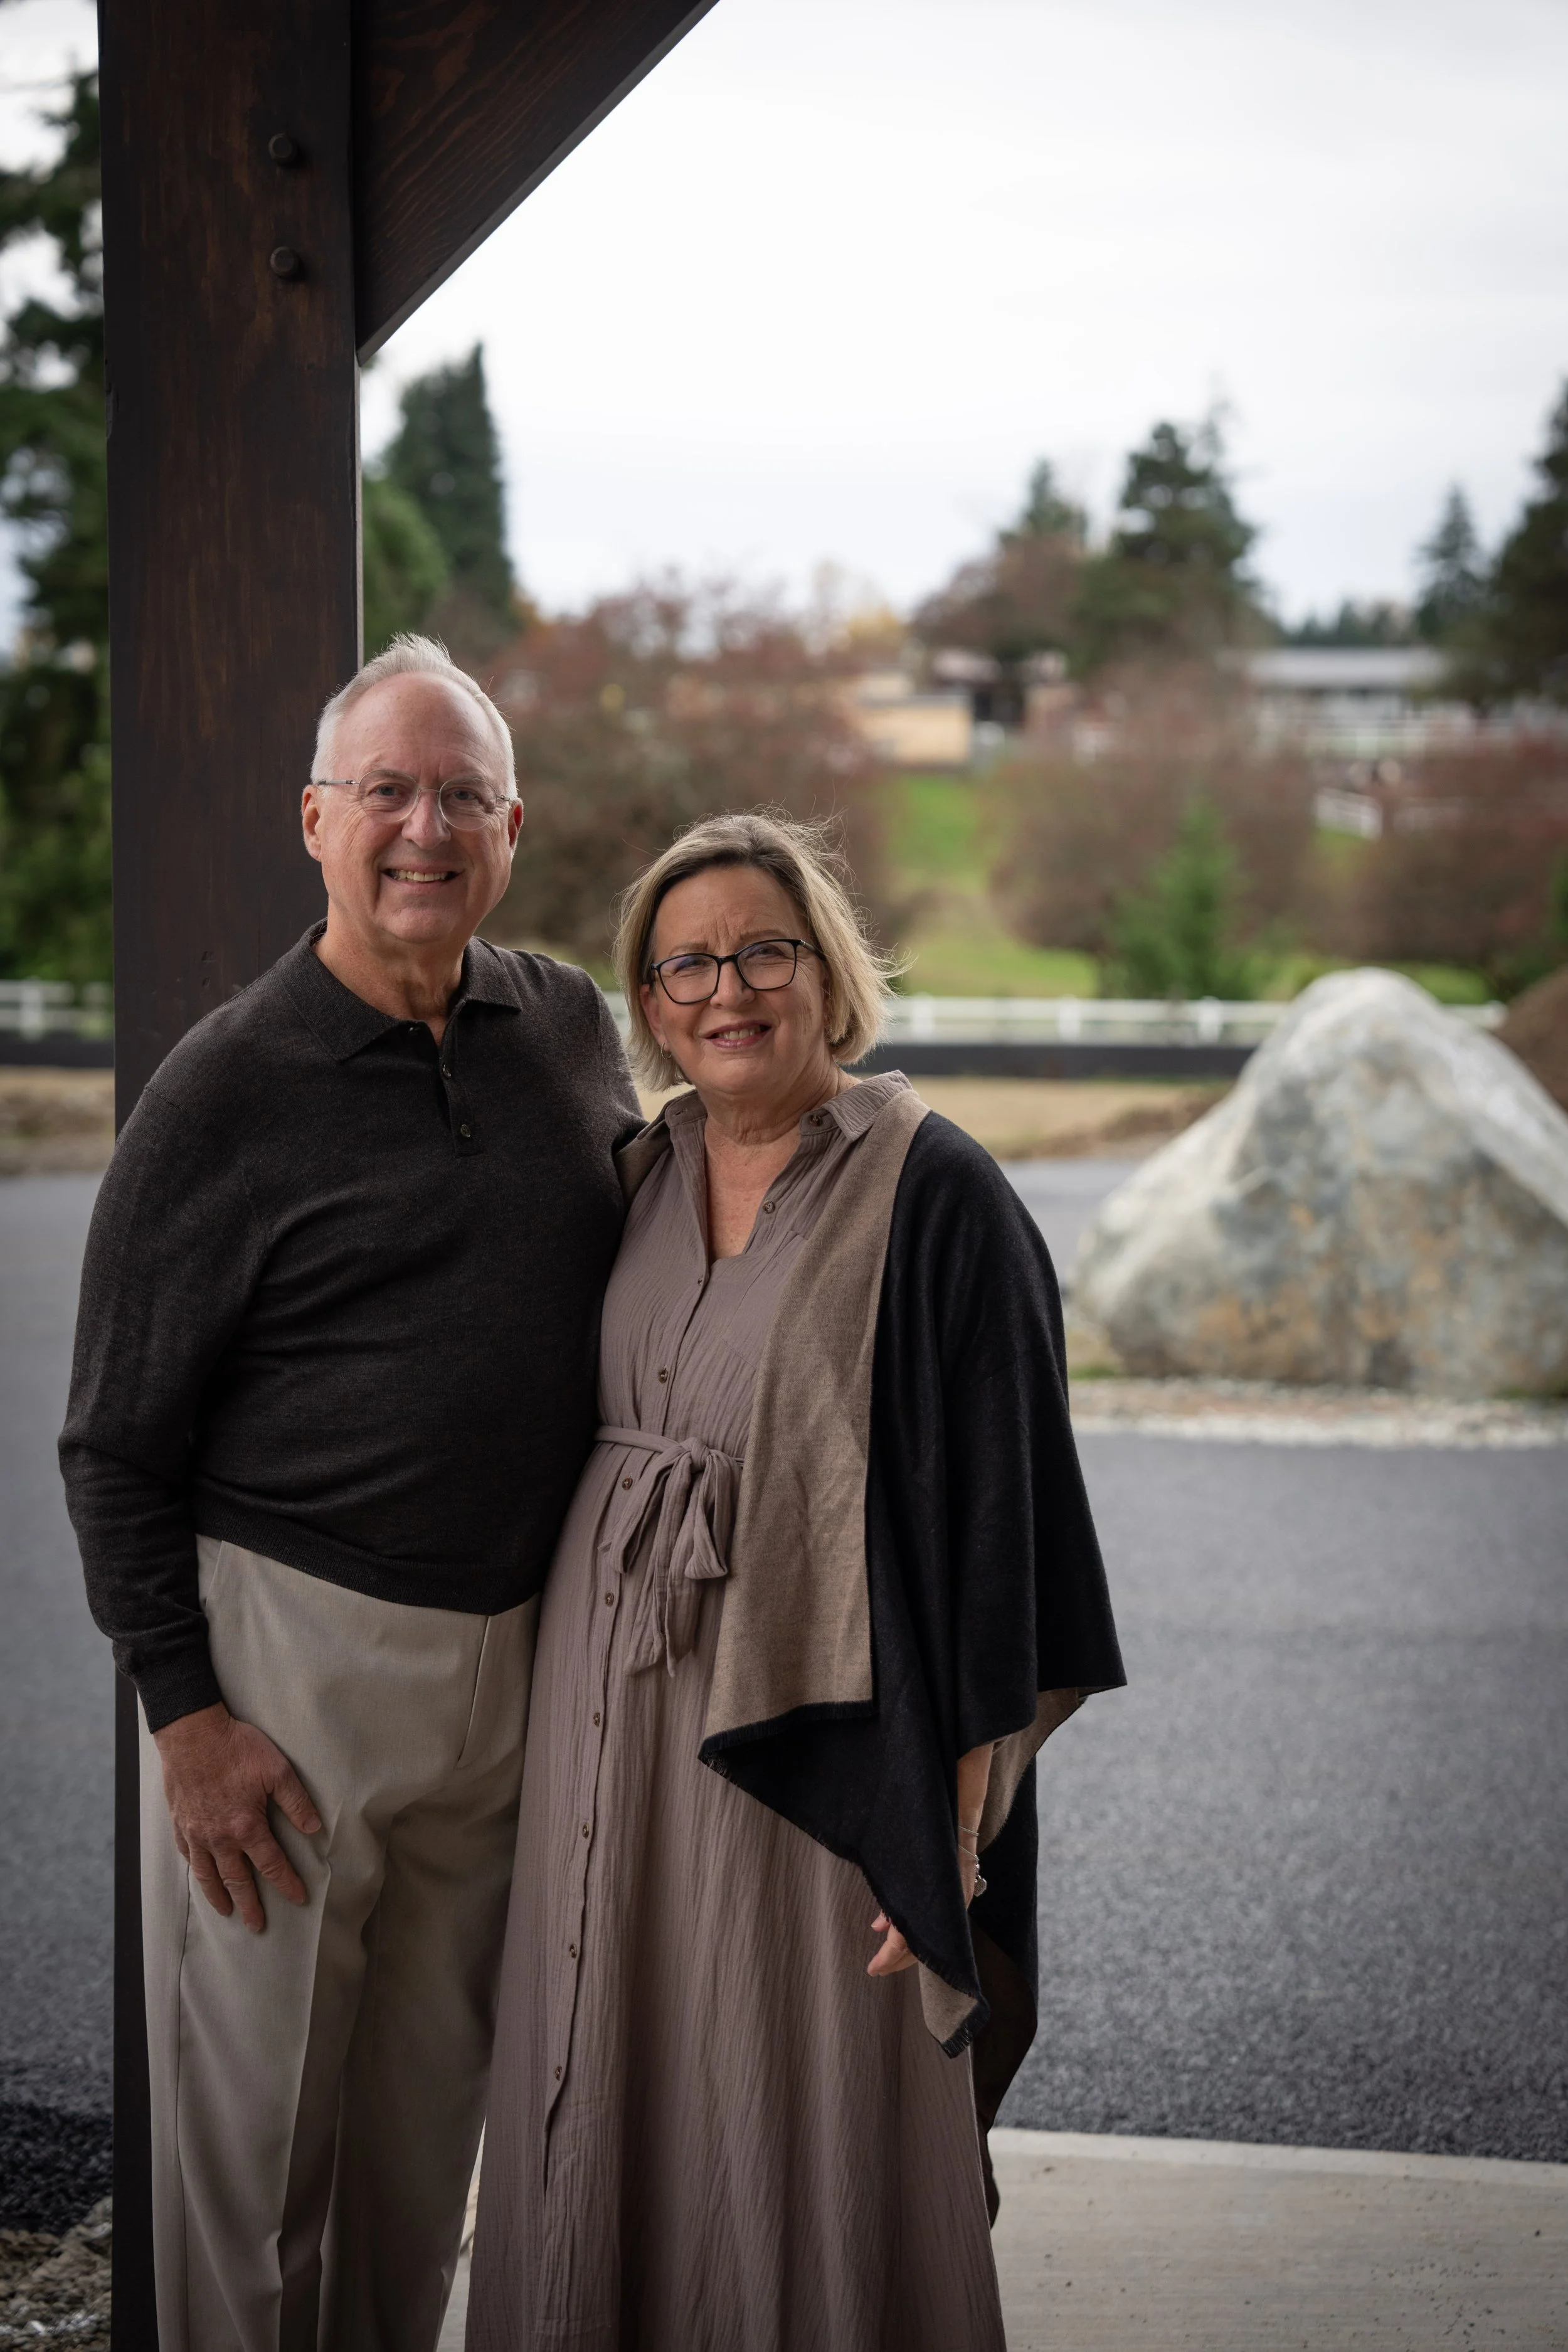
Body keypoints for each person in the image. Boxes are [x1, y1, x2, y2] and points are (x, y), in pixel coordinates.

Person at [466, 810, 1124, 2351]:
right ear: (645, 1002)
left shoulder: (936, 1189)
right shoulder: (635, 1170)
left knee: (801, 2100)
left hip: (822, 1731)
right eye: (683, 962)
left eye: (763, 948)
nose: (725, 989)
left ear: (826, 968)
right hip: (603, 1713)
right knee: (598, 2061)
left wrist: (950, 1815)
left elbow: (1006, 1528)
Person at [58, 635, 642, 2352]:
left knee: (417, 2142)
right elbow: (111, 1440)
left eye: (461, 791)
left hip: (514, 1663)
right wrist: (187, 1715)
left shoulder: (568, 1028)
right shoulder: (225, 1088)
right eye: (385, 788)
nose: (422, 825)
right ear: (314, 818)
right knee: (254, 2169)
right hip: (288, 1676)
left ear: (511, 826)